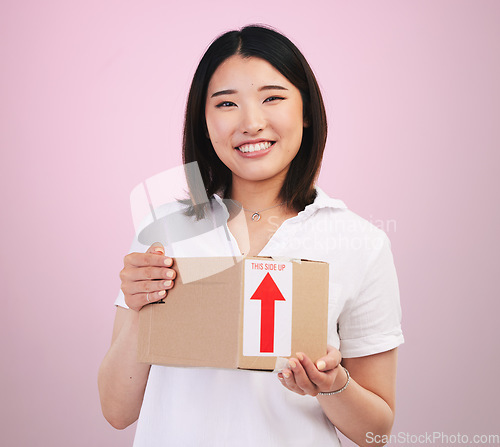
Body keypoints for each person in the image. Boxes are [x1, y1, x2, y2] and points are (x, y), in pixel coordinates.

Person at [98, 25, 403, 447]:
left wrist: (332, 386)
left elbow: (376, 432)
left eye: (273, 98)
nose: (251, 123)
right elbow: (117, 411)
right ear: (204, 122)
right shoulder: (163, 230)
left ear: (307, 112)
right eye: (226, 103)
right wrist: (138, 309)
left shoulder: (360, 243)